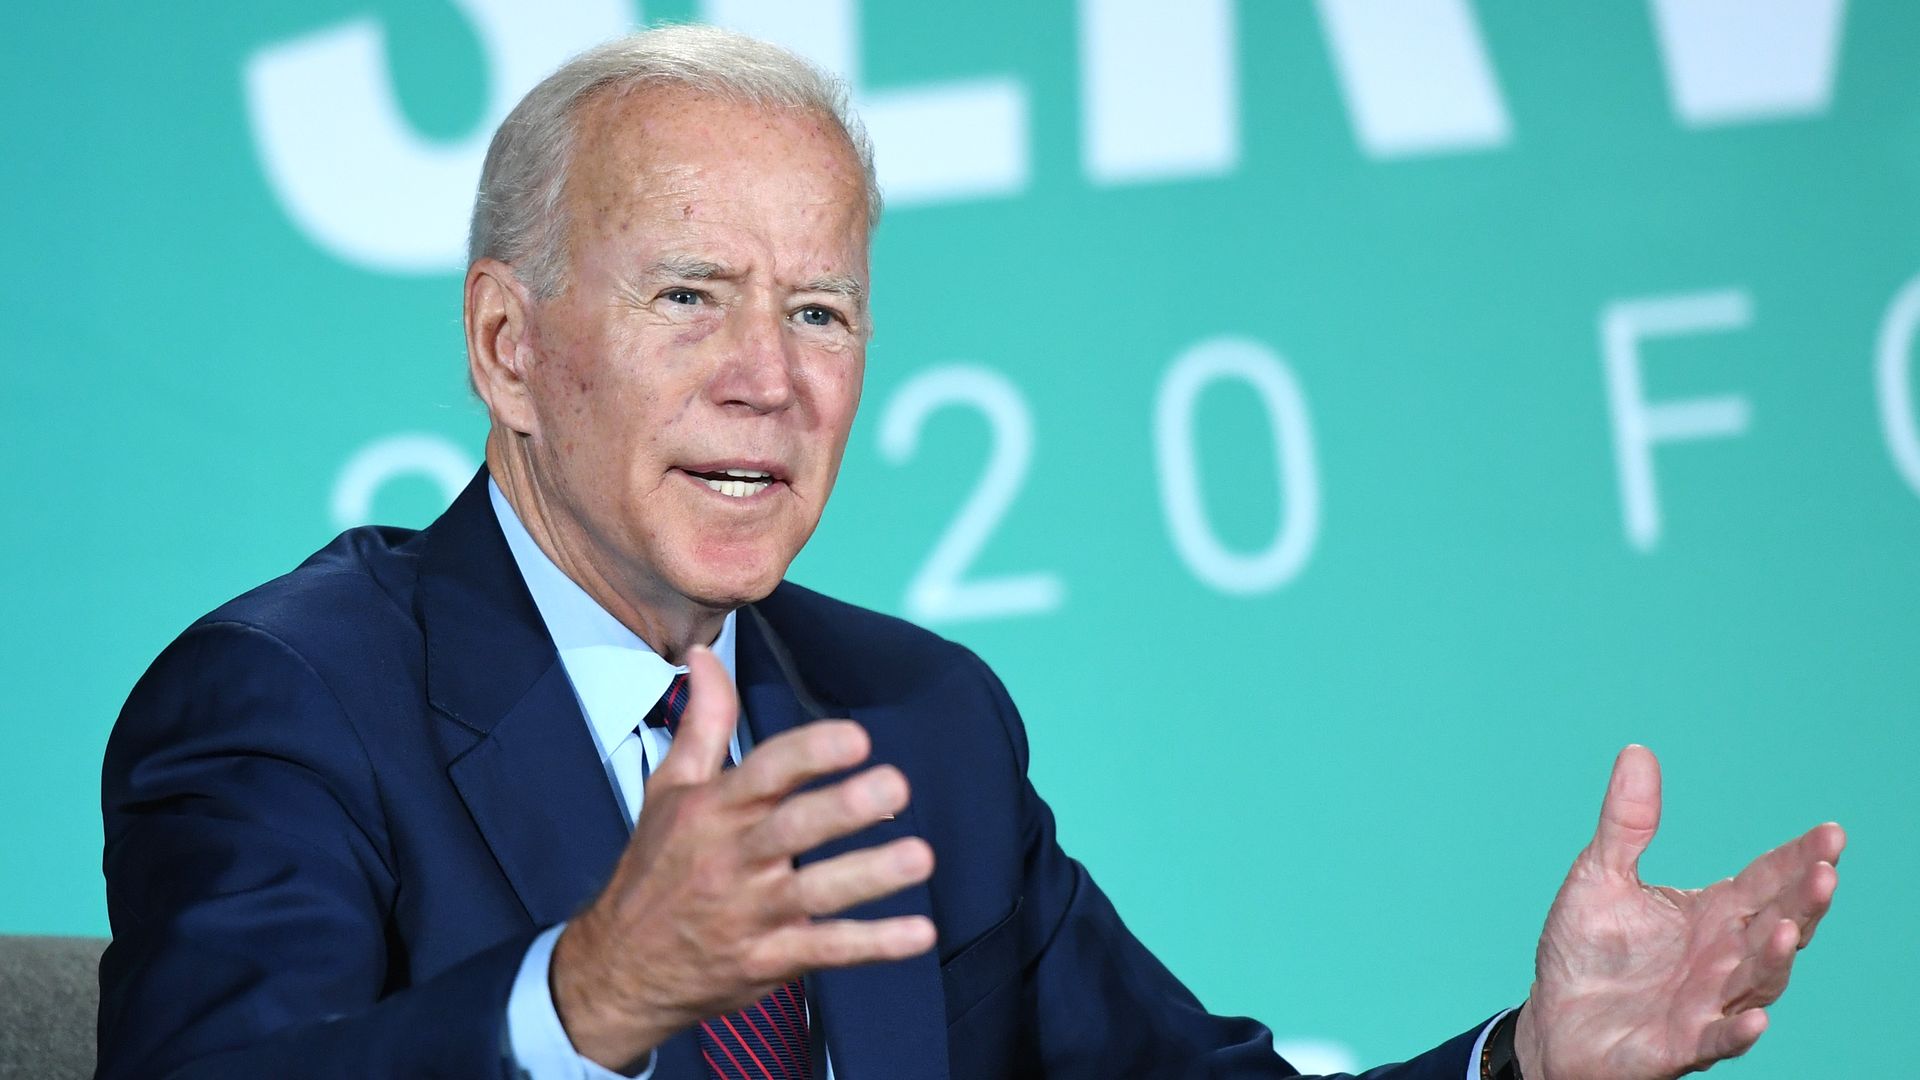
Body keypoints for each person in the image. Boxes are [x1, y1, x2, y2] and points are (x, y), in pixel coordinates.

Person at [97, 25, 1844, 1080]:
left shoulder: (915, 721)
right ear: (507, 347)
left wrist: (1526, 1065)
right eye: (691, 295)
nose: (769, 378)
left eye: (821, 310)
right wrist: (587, 1000)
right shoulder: (287, 699)